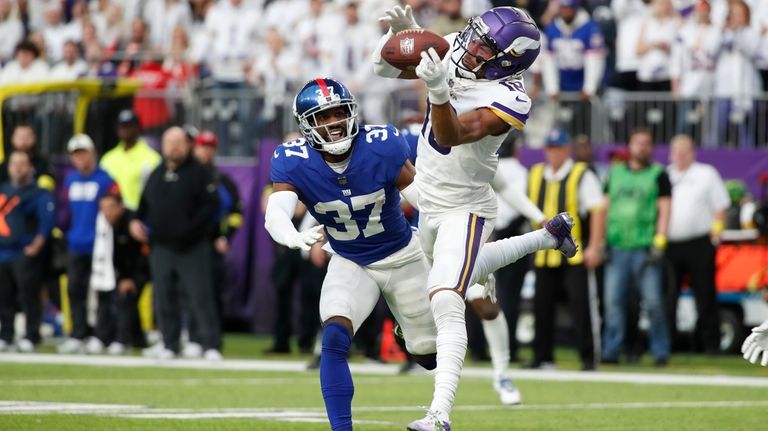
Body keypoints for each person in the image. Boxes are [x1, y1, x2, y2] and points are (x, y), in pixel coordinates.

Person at [265, 77, 577, 431]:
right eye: (323, 118)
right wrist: (289, 234)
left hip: (404, 255)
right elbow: (277, 210)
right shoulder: (293, 160)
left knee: (427, 355)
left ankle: (536, 241)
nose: (334, 124)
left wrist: (458, 243)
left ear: (352, 112)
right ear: (307, 126)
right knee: (334, 337)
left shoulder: (379, 145)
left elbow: (424, 200)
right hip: (350, 260)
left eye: (339, 113)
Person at [373, 6, 571, 429]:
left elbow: (451, 136)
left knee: (447, 296)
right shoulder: (455, 55)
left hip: (466, 208)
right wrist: (403, 35)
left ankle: (439, 414)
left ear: (507, 61)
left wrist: (438, 92)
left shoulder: (510, 99)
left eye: (484, 43)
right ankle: (548, 236)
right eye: (474, 33)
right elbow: (382, 69)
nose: (470, 45)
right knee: (450, 279)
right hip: (427, 199)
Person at [130, 126, 221, 360]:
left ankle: (209, 343)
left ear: (188, 145)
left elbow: (211, 206)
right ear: (162, 145)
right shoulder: (156, 173)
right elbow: (143, 206)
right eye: (169, 141)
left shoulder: (199, 172)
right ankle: (169, 343)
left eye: (178, 142)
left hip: (192, 246)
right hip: (161, 246)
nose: (174, 146)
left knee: (199, 296)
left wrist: (190, 231)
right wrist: (135, 222)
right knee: (163, 296)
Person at [526, 128, 606, 371]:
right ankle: (543, 357)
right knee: (541, 306)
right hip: (543, 254)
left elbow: (598, 209)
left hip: (575, 253)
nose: (554, 153)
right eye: (550, 148)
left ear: (566, 149)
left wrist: (595, 246)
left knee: (581, 306)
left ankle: (588, 357)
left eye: (558, 148)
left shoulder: (581, 174)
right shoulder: (536, 173)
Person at [602, 128, 671, 366]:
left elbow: (665, 210)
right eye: (638, 143)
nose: (642, 147)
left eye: (647, 143)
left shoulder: (659, 174)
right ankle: (611, 350)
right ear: (629, 146)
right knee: (613, 303)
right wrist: (600, 241)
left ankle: (660, 351)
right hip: (617, 246)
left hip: (645, 248)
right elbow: (604, 208)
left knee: (653, 303)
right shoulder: (615, 173)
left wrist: (660, 241)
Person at [665, 134, 729, 353]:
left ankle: (710, 344)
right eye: (677, 151)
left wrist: (717, 231)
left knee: (705, 294)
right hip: (670, 244)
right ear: (671, 154)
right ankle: (669, 343)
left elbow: (720, 206)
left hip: (700, 243)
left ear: (693, 152)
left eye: (685, 151)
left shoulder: (706, 173)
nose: (681, 156)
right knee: (669, 295)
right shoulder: (665, 175)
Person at [58, 134, 117, 355]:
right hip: (75, 243)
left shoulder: (105, 179)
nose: (80, 158)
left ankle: (101, 335)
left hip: (99, 244)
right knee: (75, 290)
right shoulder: (70, 180)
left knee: (102, 290)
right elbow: (64, 212)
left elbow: (114, 207)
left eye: (83, 152)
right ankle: (78, 333)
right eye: (76, 154)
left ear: (92, 153)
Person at [0, 151, 54, 353]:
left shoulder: (38, 192)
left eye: (22, 163)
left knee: (29, 296)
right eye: (14, 163)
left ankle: (32, 334)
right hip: (2, 251)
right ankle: (6, 334)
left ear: (30, 167)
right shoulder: (3, 189)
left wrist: (36, 246)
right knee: (4, 297)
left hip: (23, 251)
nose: (17, 167)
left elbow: (46, 222)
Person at [93, 187, 149, 355]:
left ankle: (122, 340)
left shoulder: (133, 224)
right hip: (115, 272)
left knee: (126, 297)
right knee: (104, 294)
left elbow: (142, 257)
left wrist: (131, 278)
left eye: (111, 208)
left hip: (140, 270)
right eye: (103, 208)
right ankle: (133, 338)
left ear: (120, 208)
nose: (106, 212)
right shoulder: (103, 226)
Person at [100, 110, 162, 211]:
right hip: (112, 218)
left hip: (140, 217)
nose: (125, 130)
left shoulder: (153, 158)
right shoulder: (107, 159)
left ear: (137, 128)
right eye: (122, 126)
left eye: (129, 126)